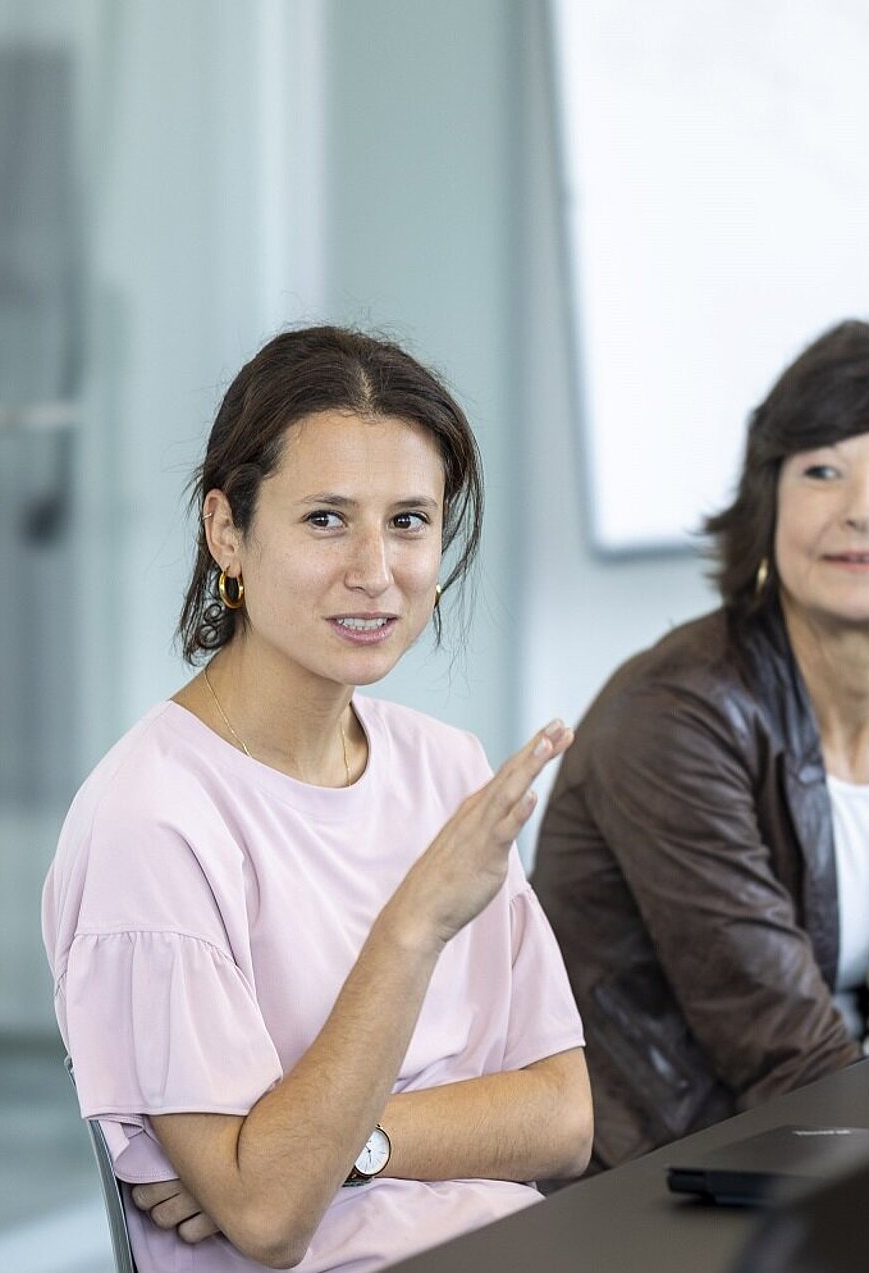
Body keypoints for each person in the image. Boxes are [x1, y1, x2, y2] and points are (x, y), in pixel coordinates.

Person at [43, 326, 591, 1270]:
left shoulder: (444, 767)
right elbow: (267, 1213)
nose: (375, 570)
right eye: (327, 519)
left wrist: (352, 1147)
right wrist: (412, 926)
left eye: (410, 521)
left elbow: (562, 1117)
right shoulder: (153, 821)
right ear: (228, 531)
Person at [532, 320, 869, 1173]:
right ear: (769, 504)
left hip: (821, 1145)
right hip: (649, 1179)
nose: (864, 507)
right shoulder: (678, 715)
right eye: (822, 470)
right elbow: (783, 1053)